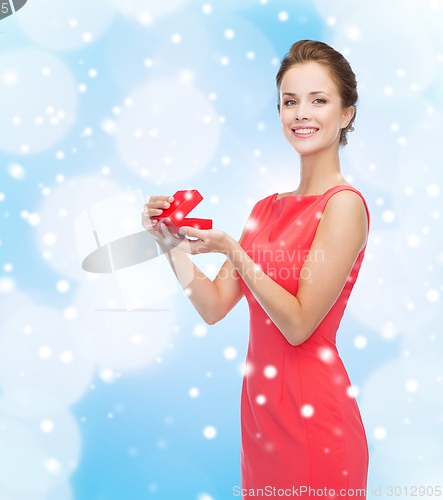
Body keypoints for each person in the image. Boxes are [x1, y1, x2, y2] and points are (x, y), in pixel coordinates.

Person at [142, 40, 369, 499]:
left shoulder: (343, 207)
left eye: (318, 100)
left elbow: (300, 325)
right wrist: (169, 244)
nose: (301, 113)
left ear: (346, 113)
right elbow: (212, 306)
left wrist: (233, 250)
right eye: (290, 101)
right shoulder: (265, 209)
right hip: (263, 421)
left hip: (316, 417)